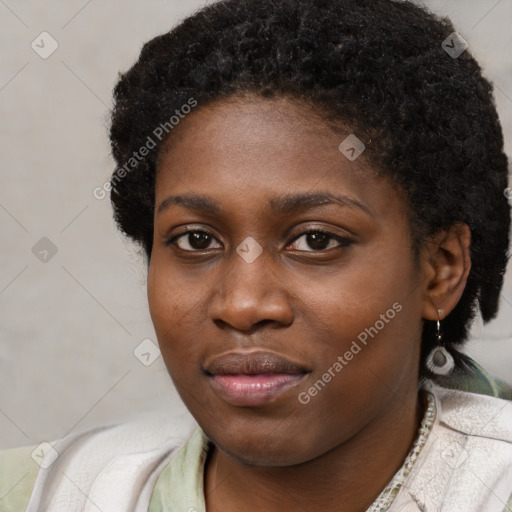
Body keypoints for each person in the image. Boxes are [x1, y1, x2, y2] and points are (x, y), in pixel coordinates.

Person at [1, 0, 511, 510]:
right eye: (196, 240)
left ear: (441, 270)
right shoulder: (46, 494)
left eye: (316, 240)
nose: (242, 305)